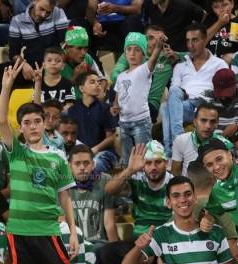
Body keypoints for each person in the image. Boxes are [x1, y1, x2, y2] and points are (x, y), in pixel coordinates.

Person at [0, 58, 88, 264]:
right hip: (19, 235)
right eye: (28, 122)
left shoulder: (57, 158)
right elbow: (1, 121)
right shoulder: (17, 152)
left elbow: (65, 197)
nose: (34, 126)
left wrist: (73, 231)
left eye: (38, 121)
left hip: (50, 232)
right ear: (21, 128)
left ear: (43, 123)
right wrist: (7, 86)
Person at [99, 141, 172, 264]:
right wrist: (130, 170)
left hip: (166, 240)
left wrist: (151, 249)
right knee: (107, 253)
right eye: (148, 163)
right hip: (138, 241)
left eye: (158, 162)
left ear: (166, 163)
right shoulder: (138, 180)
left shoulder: (174, 183)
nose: (153, 167)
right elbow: (109, 189)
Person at [160, 23, 227, 159]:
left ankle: (170, 150)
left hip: (207, 104)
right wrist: (184, 95)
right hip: (185, 104)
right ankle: (176, 138)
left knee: (167, 108)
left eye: (195, 40)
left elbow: (224, 91)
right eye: (188, 41)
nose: (190, 45)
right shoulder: (180, 65)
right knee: (166, 104)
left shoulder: (219, 64)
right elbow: (175, 92)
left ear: (205, 39)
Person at [0, 0, 69, 92]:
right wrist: (23, 65)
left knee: (54, 69)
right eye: (41, 9)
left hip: (52, 63)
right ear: (34, 1)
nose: (43, 15)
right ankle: (11, 99)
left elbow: (65, 44)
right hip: (30, 65)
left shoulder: (58, 13)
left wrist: (51, 64)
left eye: (48, 12)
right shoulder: (17, 20)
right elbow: (13, 53)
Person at [111, 25, 181, 123]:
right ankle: (114, 126)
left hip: (149, 104)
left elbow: (194, 58)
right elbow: (115, 74)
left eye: (159, 39)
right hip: (129, 98)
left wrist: (176, 57)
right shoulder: (131, 53)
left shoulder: (168, 59)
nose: (153, 42)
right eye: (150, 38)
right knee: (113, 90)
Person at [113, 32, 164, 166]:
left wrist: (158, 47)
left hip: (141, 122)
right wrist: (115, 106)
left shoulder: (144, 70)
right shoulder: (121, 76)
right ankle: (129, 179)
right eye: (129, 49)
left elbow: (153, 59)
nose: (132, 53)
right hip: (124, 122)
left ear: (143, 54)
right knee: (127, 161)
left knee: (145, 159)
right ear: (125, 53)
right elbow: (118, 96)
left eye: (137, 50)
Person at [67, 72, 118, 175]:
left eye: (99, 82)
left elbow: (111, 138)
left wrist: (95, 149)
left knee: (93, 165)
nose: (97, 85)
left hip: (103, 153)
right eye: (92, 82)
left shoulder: (106, 108)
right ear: (81, 88)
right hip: (80, 153)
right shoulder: (72, 110)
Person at [68, 144, 118, 247]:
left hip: (99, 244)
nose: (82, 167)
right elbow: (62, 223)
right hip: (75, 245)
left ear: (93, 164)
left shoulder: (105, 181)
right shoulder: (63, 187)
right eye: (77, 164)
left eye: (86, 163)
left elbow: (109, 223)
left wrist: (115, 250)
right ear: (70, 166)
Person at [171, 103, 234, 177]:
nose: (208, 126)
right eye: (203, 120)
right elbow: (175, 172)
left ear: (217, 124)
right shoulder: (181, 140)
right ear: (195, 122)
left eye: (212, 121)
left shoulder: (227, 145)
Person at [197, 69, 238, 139]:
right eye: (219, 92)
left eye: (227, 92)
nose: (223, 97)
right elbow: (198, 121)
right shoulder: (205, 96)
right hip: (212, 138)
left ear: (236, 84)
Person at [141, 0, 206, 52]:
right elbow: (145, 24)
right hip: (159, 54)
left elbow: (203, 15)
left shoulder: (183, 5)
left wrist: (193, 33)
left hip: (181, 55)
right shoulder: (147, 4)